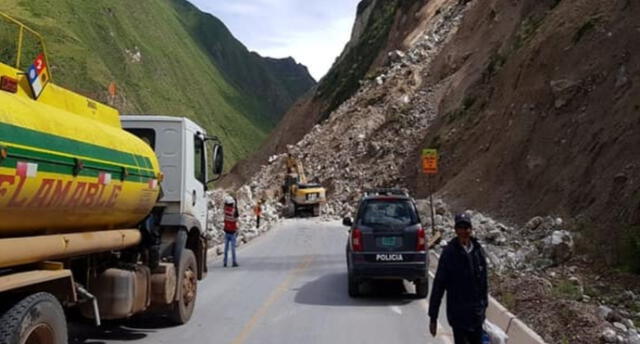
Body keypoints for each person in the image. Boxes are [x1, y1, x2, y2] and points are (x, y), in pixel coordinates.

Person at [428, 213, 488, 344]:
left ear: (471, 229)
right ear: (455, 230)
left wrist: (484, 308)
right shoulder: (449, 253)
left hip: (476, 315)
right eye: (460, 228)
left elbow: (483, 283)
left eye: (466, 227)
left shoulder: (478, 251)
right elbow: (439, 286)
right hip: (458, 315)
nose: (464, 231)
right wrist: (433, 317)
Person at [223, 195, 239, 267]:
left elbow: (225, 205)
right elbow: (237, 216)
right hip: (232, 232)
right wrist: (236, 204)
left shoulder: (225, 210)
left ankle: (225, 262)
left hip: (226, 232)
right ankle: (234, 262)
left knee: (225, 249)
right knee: (233, 249)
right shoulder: (233, 211)